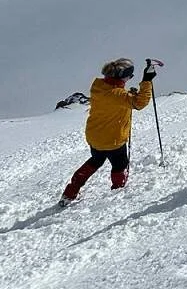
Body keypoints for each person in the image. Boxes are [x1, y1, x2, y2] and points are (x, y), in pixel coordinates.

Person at [60, 58, 156, 205]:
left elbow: (115, 98)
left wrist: (127, 94)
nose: (130, 78)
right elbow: (139, 103)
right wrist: (147, 80)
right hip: (113, 140)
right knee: (120, 164)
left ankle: (70, 191)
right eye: (130, 76)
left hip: (95, 136)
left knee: (96, 160)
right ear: (122, 77)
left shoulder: (99, 87)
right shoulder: (117, 94)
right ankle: (118, 189)